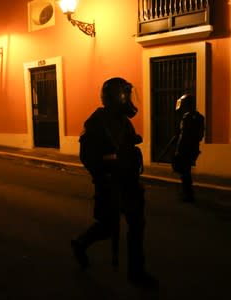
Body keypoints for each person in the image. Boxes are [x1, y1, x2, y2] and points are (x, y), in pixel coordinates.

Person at [71, 77, 158, 288]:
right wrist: (106, 171)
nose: (128, 99)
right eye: (125, 94)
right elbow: (87, 156)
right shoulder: (96, 122)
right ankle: (81, 243)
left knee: (136, 227)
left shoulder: (123, 120)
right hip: (110, 185)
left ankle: (136, 272)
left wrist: (131, 143)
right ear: (117, 96)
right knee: (107, 228)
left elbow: (126, 144)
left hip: (129, 183)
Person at [172, 93, 205, 203]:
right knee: (186, 171)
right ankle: (188, 193)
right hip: (193, 147)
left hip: (185, 148)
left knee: (184, 172)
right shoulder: (199, 117)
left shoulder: (186, 118)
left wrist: (178, 150)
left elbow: (183, 135)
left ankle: (188, 194)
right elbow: (200, 135)